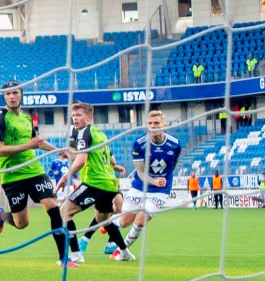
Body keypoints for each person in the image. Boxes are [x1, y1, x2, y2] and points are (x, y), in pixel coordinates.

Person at [0, 81, 78, 267]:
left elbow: (36, 141)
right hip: (12, 175)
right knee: (22, 223)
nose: (12, 97)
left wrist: (58, 151)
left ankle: (64, 258)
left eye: (15, 93)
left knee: (52, 205)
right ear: (4, 97)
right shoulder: (0, 117)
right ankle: (2, 215)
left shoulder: (27, 117)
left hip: (34, 170)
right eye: (8, 94)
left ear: (21, 94)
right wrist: (28, 146)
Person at [55, 101, 132, 262]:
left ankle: (76, 254)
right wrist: (116, 167)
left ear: (89, 116)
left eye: (78, 115)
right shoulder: (101, 134)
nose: (75, 119)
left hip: (94, 182)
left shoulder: (84, 133)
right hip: (110, 184)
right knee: (103, 219)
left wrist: (64, 177)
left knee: (64, 212)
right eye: (73, 116)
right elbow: (111, 159)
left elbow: (82, 160)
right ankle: (124, 252)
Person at [117, 110, 182, 249]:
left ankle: (121, 250)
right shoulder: (139, 144)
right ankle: (109, 223)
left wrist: (163, 181)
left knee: (140, 221)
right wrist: (154, 181)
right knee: (124, 223)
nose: (153, 126)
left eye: (156, 123)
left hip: (161, 190)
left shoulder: (175, 145)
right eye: (150, 123)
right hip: (139, 186)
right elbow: (140, 172)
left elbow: (172, 165)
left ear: (164, 124)